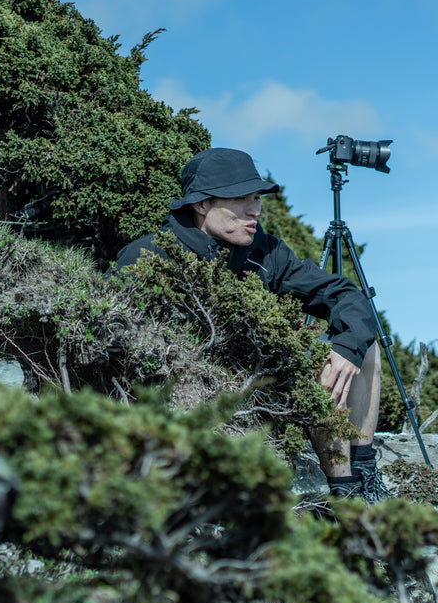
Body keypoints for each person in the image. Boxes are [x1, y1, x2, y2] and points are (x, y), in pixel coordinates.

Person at [116, 148, 389, 501]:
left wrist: (347, 349)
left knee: (362, 345)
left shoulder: (265, 252)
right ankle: (344, 496)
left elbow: (343, 293)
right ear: (201, 205)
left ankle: (360, 478)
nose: (255, 210)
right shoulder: (149, 256)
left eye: (257, 198)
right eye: (240, 199)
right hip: (193, 398)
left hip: (264, 386)